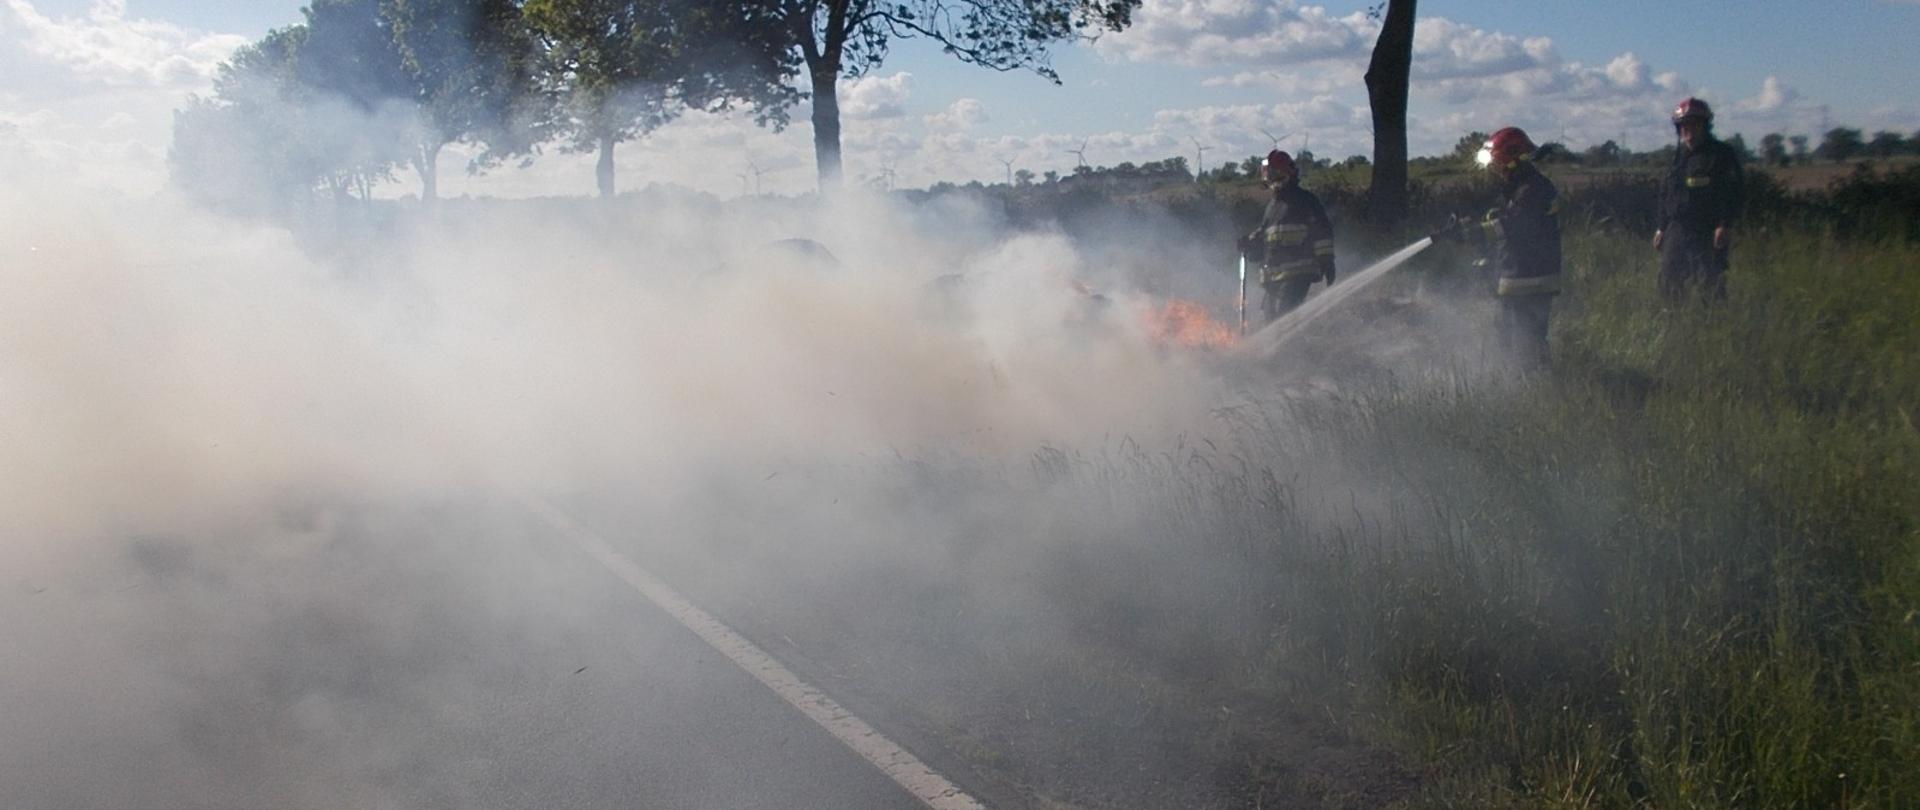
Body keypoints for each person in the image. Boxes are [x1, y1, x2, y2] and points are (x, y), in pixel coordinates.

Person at [1431, 127, 1562, 369]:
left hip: (1530, 277)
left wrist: (1475, 232)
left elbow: (1514, 225)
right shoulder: (1522, 186)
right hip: (1524, 274)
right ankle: (1520, 381)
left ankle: (1535, 385)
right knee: (1510, 335)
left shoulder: (1532, 189)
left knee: (1526, 340)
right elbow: (1504, 219)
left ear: (1512, 159)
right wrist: (1471, 227)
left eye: (1498, 162)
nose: (1495, 168)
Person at [1654, 97, 1744, 302]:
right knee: (1669, 280)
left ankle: (1714, 324)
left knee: (1709, 281)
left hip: (1707, 229)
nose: (1689, 132)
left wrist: (1725, 224)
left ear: (1705, 126)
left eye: (1695, 126)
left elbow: (1734, 192)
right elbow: (1665, 195)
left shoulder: (1721, 155)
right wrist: (1661, 227)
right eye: (1685, 127)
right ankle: (1674, 322)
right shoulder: (1677, 158)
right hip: (1676, 229)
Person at [1238, 150, 1336, 322]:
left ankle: (1290, 349)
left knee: (1284, 318)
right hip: (1274, 277)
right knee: (1269, 319)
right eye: (1267, 174)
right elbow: (1266, 237)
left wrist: (1326, 260)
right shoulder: (1273, 206)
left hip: (1297, 273)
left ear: (1283, 173)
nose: (1269, 178)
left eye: (1272, 173)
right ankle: (1280, 349)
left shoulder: (1304, 200)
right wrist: (1249, 243)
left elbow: (1322, 231)